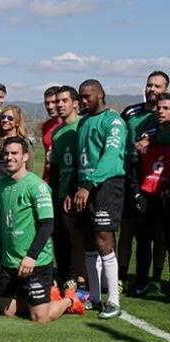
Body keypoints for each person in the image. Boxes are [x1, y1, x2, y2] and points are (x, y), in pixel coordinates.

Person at [0, 137, 84, 322]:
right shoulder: (3, 185)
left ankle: (68, 299)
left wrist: (31, 256)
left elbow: (47, 225)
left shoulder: (37, 186)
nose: (9, 157)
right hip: (10, 262)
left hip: (35, 262)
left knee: (40, 318)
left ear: (25, 157)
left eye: (14, 153)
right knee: (7, 312)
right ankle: (40, 297)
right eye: (6, 153)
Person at [66, 79, 126, 319]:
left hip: (105, 185)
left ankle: (113, 300)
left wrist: (89, 185)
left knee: (103, 240)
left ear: (100, 95)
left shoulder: (113, 121)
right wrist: (74, 189)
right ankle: (94, 296)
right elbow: (80, 162)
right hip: (83, 187)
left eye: (87, 96)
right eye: (80, 96)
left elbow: (111, 157)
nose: (82, 101)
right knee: (88, 243)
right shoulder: (83, 123)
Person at [118, 70, 169, 290]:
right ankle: (123, 276)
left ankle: (156, 278)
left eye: (157, 86)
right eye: (150, 85)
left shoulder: (161, 122)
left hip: (158, 183)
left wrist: (152, 138)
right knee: (129, 230)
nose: (152, 89)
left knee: (161, 236)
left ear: (165, 90)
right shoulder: (130, 112)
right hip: (132, 177)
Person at [128, 92, 170, 296]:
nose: (161, 111)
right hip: (147, 196)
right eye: (160, 108)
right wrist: (137, 193)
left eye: (166, 108)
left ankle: (160, 281)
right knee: (143, 241)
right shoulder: (146, 137)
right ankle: (141, 282)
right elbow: (135, 169)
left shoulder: (154, 137)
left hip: (167, 197)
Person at [48, 86, 86, 290]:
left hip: (80, 192)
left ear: (75, 103)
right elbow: (55, 167)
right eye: (57, 101)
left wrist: (75, 189)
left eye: (64, 101)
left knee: (81, 239)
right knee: (62, 238)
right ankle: (69, 277)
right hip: (61, 193)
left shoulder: (83, 125)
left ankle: (83, 280)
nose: (59, 105)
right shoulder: (57, 133)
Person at [0, 105, 32, 193]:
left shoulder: (25, 142)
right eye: (3, 117)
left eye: (10, 118)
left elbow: (30, 167)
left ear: (17, 122)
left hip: (15, 189)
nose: (5, 120)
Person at [40, 86, 62, 181]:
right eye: (47, 103)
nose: (50, 107)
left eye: (54, 102)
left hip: (65, 179)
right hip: (48, 179)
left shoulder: (75, 125)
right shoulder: (46, 126)